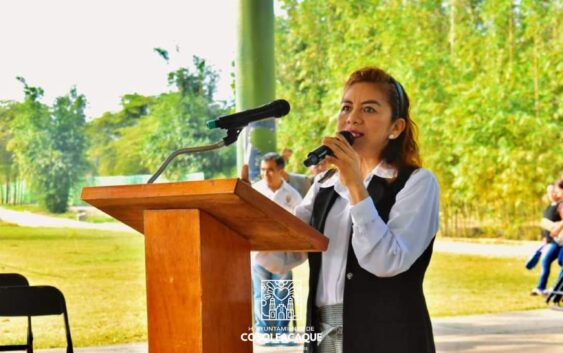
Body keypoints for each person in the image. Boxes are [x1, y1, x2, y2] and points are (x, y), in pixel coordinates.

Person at [254, 67, 439, 353]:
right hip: (325, 333)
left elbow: (387, 262)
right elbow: (286, 253)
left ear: (396, 127)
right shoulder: (324, 183)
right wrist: (247, 227)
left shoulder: (416, 182)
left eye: (369, 108)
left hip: (390, 336)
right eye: (346, 107)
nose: (352, 117)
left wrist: (355, 184)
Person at [251, 152, 303, 346]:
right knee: (262, 293)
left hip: (282, 254)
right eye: (263, 170)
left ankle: (283, 332)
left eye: (271, 170)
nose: (266, 174)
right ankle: (264, 331)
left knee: (282, 293)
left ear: (281, 171)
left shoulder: (292, 195)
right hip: (258, 253)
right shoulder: (254, 191)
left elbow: (300, 222)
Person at [531, 179, 563, 296]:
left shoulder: (560, 205)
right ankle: (555, 289)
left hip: (556, 241)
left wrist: (557, 227)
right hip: (553, 240)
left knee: (550, 261)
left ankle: (553, 289)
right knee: (559, 261)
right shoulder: (549, 207)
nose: (555, 194)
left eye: (557, 191)